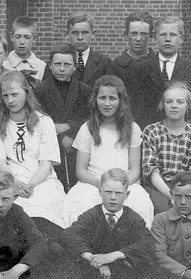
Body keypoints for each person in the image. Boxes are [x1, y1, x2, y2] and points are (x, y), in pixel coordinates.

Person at [62, 74, 153, 225]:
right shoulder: (87, 128)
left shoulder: (132, 128)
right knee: (79, 206)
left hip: (125, 183)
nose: (107, 103)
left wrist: (120, 186)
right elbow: (81, 171)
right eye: (102, 98)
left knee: (140, 206)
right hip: (93, 183)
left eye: (112, 98)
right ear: (95, 100)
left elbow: (135, 170)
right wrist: (102, 184)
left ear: (121, 100)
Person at [60, 169, 153, 279]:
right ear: (100, 192)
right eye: (108, 192)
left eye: (119, 193)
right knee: (78, 258)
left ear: (127, 195)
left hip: (120, 268)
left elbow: (147, 242)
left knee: (145, 259)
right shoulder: (92, 214)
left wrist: (114, 255)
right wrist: (95, 259)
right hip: (94, 267)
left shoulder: (132, 217)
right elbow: (68, 234)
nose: (113, 198)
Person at [0, 70, 68, 235]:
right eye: (5, 96)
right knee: (13, 206)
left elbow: (45, 164)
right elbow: (1, 162)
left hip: (40, 178)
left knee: (45, 201)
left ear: (27, 92)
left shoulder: (44, 122)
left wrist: (31, 186)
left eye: (15, 94)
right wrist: (15, 183)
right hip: (10, 177)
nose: (10, 100)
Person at [141, 81, 191, 216]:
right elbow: (151, 171)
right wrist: (172, 196)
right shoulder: (151, 131)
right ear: (163, 105)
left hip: (190, 186)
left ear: (188, 106)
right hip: (161, 187)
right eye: (169, 101)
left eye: (180, 102)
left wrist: (183, 196)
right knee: (161, 211)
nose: (174, 106)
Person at [127, 15, 191, 127]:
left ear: (181, 39)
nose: (168, 39)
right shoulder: (139, 69)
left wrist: (190, 131)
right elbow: (133, 107)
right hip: (149, 133)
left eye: (173, 35)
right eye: (163, 34)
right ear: (155, 38)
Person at [33, 42, 91, 188]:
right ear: (50, 65)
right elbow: (38, 119)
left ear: (75, 66)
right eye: (57, 64)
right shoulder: (40, 91)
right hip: (50, 147)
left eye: (67, 64)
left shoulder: (85, 90)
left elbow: (90, 118)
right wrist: (61, 138)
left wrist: (69, 126)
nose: (62, 69)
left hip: (77, 143)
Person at [66, 11, 112, 87]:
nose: (80, 38)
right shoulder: (58, 61)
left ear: (93, 34)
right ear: (67, 34)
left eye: (84, 32)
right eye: (75, 33)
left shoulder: (104, 62)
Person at [108, 10, 154, 83]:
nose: (138, 39)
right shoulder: (116, 65)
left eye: (143, 34)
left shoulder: (158, 65)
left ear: (150, 35)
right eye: (134, 34)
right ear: (126, 35)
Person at [2, 16, 46, 83]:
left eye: (27, 37)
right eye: (18, 37)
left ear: (34, 38)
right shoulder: (3, 64)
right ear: (12, 37)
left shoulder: (42, 67)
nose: (22, 42)